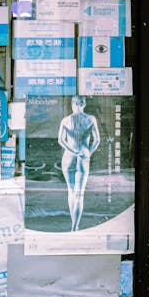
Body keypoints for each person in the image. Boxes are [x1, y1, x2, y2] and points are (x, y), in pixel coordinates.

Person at [58, 95, 100, 231]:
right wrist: (88, 153)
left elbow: (61, 140)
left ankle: (73, 226)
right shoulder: (90, 119)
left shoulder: (65, 120)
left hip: (68, 156)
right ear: (84, 104)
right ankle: (74, 228)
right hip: (83, 156)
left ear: (73, 104)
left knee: (71, 192)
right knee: (79, 194)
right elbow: (97, 140)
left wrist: (72, 151)